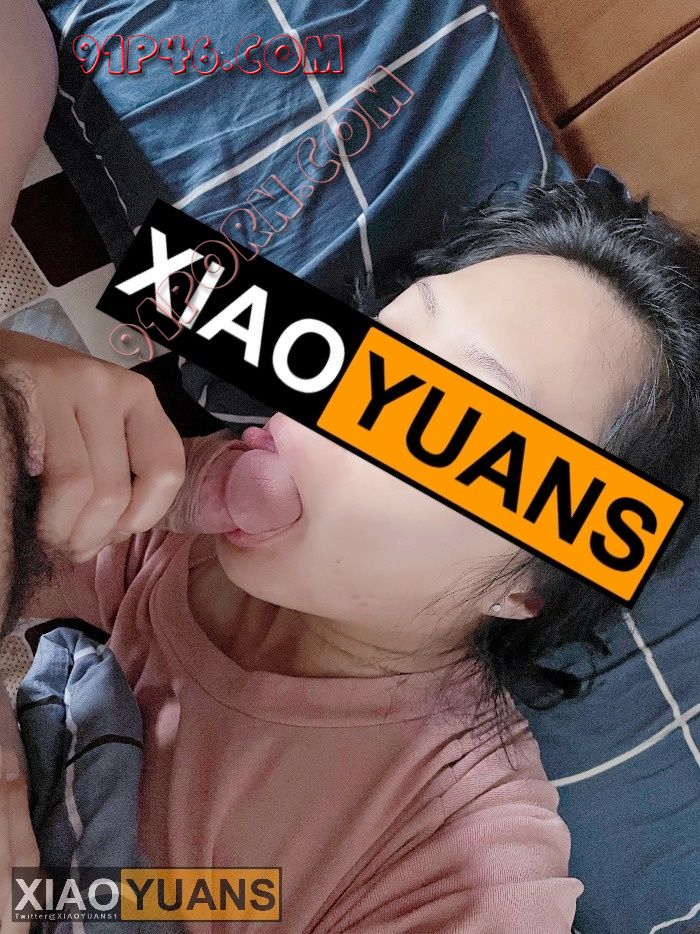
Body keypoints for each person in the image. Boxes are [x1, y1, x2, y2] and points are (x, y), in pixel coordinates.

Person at [1, 177, 698, 932]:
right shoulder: (178, 536)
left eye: (435, 429)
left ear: (524, 588)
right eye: (372, 344)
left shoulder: (457, 864)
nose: (321, 404)